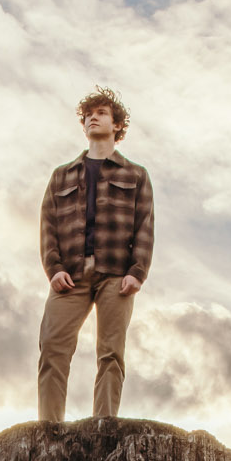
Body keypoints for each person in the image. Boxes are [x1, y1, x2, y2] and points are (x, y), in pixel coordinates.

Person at [36, 88, 153, 421]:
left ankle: (104, 426)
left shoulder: (136, 175)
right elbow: (47, 225)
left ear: (117, 125)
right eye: (88, 114)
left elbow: (145, 225)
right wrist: (53, 268)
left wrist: (137, 271)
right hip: (69, 275)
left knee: (111, 353)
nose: (92, 118)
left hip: (117, 275)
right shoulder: (62, 175)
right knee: (52, 348)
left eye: (101, 113)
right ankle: (48, 430)